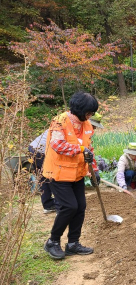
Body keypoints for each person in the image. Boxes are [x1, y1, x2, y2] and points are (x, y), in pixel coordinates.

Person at [42, 91, 99, 260]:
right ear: (79, 110)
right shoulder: (60, 122)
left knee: (80, 207)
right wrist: (81, 149)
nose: (90, 116)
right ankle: (52, 241)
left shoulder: (87, 125)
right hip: (58, 173)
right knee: (69, 207)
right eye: (88, 112)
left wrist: (94, 169)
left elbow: (90, 149)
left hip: (77, 173)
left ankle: (73, 243)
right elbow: (58, 145)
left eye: (92, 113)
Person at [28, 130, 56, 214]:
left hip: (32, 149)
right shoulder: (64, 128)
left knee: (43, 178)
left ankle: (48, 205)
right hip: (41, 152)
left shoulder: (56, 124)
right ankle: (59, 206)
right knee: (51, 177)